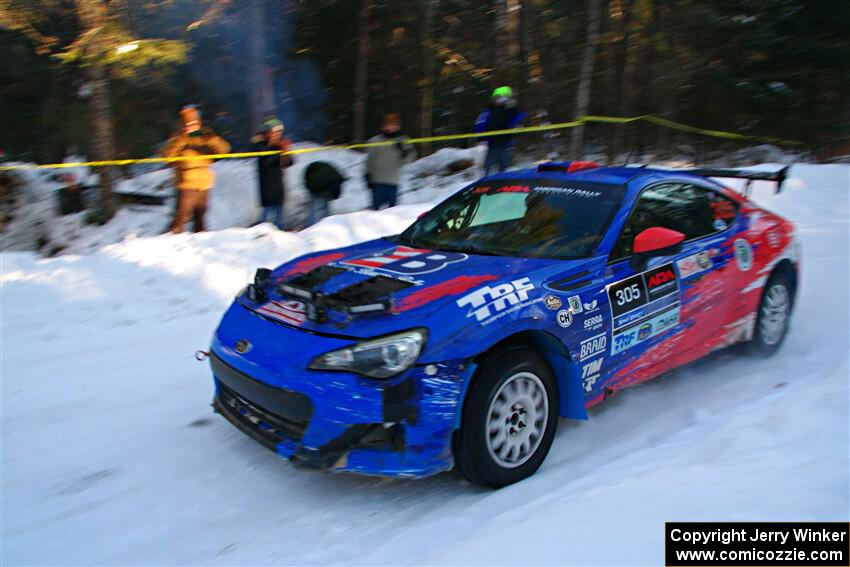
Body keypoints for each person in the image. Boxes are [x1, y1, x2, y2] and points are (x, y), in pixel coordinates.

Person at [162, 105, 230, 233]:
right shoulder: (178, 137)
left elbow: (224, 149)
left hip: (204, 183)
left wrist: (213, 140)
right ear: (183, 124)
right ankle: (172, 242)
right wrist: (181, 140)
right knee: (181, 218)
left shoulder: (205, 135)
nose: (192, 126)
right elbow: (167, 155)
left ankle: (200, 244)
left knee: (201, 220)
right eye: (189, 124)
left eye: (194, 123)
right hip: (187, 183)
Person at [251, 117, 294, 229]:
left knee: (279, 219)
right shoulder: (260, 145)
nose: (277, 135)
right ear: (267, 132)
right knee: (266, 218)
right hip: (266, 188)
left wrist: (285, 152)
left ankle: (279, 234)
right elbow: (266, 161)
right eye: (274, 132)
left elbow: (288, 163)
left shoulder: (280, 145)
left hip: (278, 187)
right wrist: (278, 151)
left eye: (279, 132)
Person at [475, 86, 527, 176]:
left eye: (504, 98)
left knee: (504, 165)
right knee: (488, 166)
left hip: (505, 142)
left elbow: (520, 116)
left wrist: (514, 107)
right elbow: (481, 123)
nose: (500, 100)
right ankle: (485, 180)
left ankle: (503, 180)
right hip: (492, 143)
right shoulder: (489, 111)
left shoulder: (509, 110)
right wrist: (481, 138)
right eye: (498, 98)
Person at [365, 113, 413, 210]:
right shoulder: (375, 140)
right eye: (388, 125)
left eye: (394, 125)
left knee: (392, 211)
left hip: (393, 181)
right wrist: (367, 174)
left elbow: (410, 158)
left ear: (398, 126)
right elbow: (369, 160)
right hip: (377, 182)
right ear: (383, 126)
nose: (391, 127)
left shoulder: (403, 140)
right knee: (376, 210)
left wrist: (403, 152)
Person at [304, 161, 344, 226]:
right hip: (312, 181)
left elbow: (335, 193)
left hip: (320, 177)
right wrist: (317, 192)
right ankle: (312, 225)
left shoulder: (335, 180)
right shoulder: (318, 181)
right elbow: (313, 187)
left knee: (324, 204)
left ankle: (325, 223)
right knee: (313, 205)